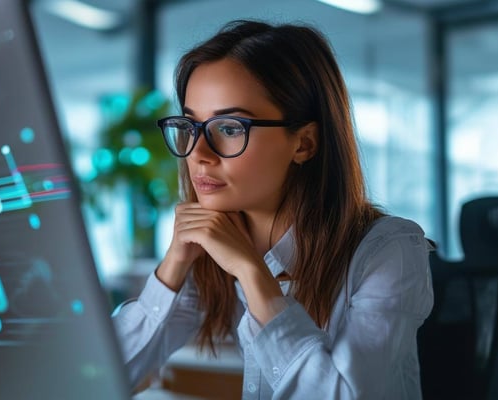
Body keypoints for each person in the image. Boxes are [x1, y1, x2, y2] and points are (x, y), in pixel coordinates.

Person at [112, 19, 434, 400]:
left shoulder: (388, 251)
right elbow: (97, 378)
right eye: (191, 125)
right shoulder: (214, 246)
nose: (198, 155)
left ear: (304, 144)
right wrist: (173, 267)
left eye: (229, 128)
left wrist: (251, 272)